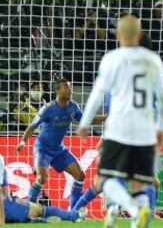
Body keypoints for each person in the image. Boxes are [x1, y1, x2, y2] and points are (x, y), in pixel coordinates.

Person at [77, 15, 163, 228]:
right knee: (140, 183)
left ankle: (129, 207)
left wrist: (85, 123)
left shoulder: (112, 59)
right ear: (139, 35)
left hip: (118, 129)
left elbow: (97, 94)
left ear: (117, 35)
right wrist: (162, 129)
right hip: (146, 131)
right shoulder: (153, 60)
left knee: (105, 180)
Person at [14, 79, 106, 209]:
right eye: (66, 88)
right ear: (57, 91)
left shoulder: (73, 107)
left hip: (59, 150)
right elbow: (32, 127)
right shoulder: (48, 109)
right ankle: (29, 210)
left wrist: (105, 117)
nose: (70, 90)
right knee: (41, 178)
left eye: (70, 87)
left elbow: (86, 120)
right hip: (42, 149)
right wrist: (23, 142)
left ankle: (73, 211)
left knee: (80, 176)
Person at [0, 154, 84, 224]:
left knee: (25, 214)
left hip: (7, 209)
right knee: (40, 209)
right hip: (6, 209)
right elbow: (4, 193)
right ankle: (74, 215)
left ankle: (38, 221)